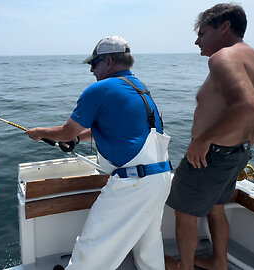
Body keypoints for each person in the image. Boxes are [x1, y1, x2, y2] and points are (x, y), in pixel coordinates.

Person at [26, 35, 173, 270]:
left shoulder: (100, 89)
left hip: (134, 183)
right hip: (161, 178)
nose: (92, 70)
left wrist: (38, 131)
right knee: (148, 244)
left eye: (94, 64)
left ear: (109, 61)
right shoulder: (139, 88)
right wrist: (78, 138)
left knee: (92, 245)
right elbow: (116, 129)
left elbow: (65, 132)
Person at [165, 3, 254, 270]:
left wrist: (203, 140)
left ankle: (184, 267)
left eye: (202, 33)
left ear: (224, 27)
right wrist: (241, 148)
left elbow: (249, 106)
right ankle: (218, 262)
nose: (197, 41)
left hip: (210, 156)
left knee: (185, 213)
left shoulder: (224, 57)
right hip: (238, 152)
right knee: (217, 207)